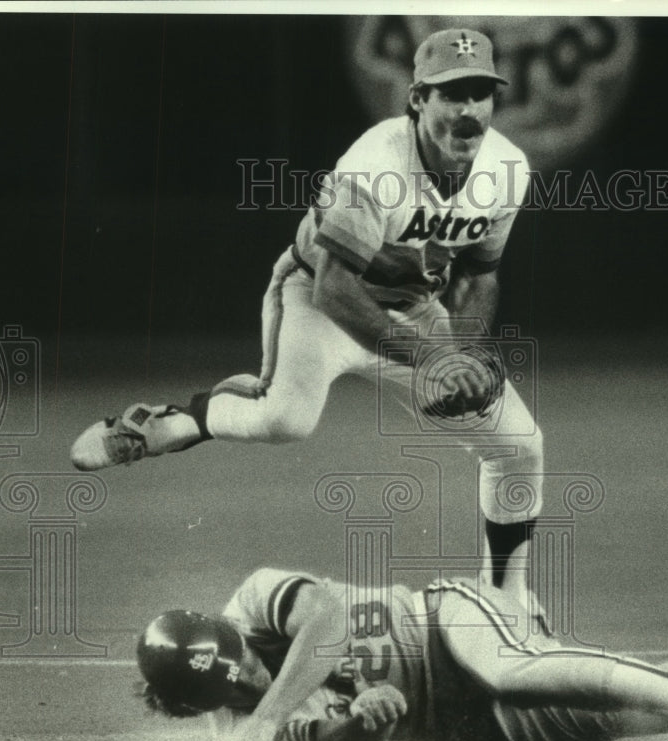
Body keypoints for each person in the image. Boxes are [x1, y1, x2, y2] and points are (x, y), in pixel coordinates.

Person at [70, 29, 543, 603]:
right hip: (320, 301)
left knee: (518, 445)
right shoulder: (376, 165)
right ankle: (165, 424)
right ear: (417, 98)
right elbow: (336, 288)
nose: (469, 111)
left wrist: (463, 353)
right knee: (286, 420)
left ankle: (507, 603)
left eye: (480, 93)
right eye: (451, 94)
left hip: (414, 310)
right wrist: (434, 358)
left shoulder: (508, 168)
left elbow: (478, 274)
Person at [136, 567, 668, 741]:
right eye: (234, 692)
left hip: (448, 624)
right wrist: (365, 723)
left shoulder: (255, 600)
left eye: (243, 668)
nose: (252, 682)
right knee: (622, 720)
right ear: (199, 705)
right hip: (469, 720)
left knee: (512, 671)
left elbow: (326, 622)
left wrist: (270, 710)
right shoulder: (239, 740)